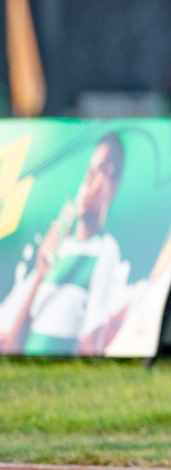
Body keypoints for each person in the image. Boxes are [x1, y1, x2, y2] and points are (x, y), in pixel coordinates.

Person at [0, 133, 130, 354]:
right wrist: (41, 275)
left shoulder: (105, 250)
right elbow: (12, 346)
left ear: (113, 186)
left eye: (100, 170)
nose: (89, 180)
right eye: (88, 170)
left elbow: (91, 347)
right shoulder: (57, 250)